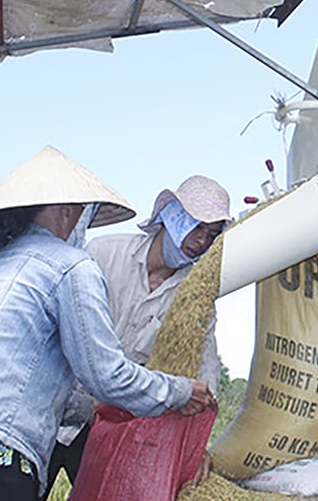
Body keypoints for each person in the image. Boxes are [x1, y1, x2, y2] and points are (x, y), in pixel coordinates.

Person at [0, 146, 216, 501]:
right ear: (67, 211)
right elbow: (106, 376)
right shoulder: (72, 265)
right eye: (85, 213)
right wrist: (179, 392)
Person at [42, 174, 233, 496]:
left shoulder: (194, 292)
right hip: (50, 410)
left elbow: (205, 363)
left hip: (105, 427)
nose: (201, 241)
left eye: (212, 234)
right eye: (196, 226)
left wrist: (197, 443)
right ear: (170, 215)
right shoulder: (103, 254)